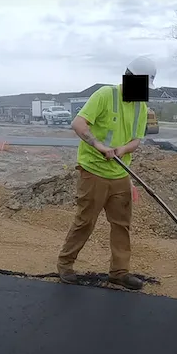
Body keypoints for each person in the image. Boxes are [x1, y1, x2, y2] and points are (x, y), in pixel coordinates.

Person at [56, 56, 156, 290]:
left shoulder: (141, 107)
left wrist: (122, 149)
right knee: (85, 221)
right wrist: (100, 146)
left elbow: (136, 140)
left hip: (121, 174)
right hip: (94, 171)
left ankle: (119, 272)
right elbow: (78, 124)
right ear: (129, 78)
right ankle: (65, 264)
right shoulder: (104, 95)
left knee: (122, 224)